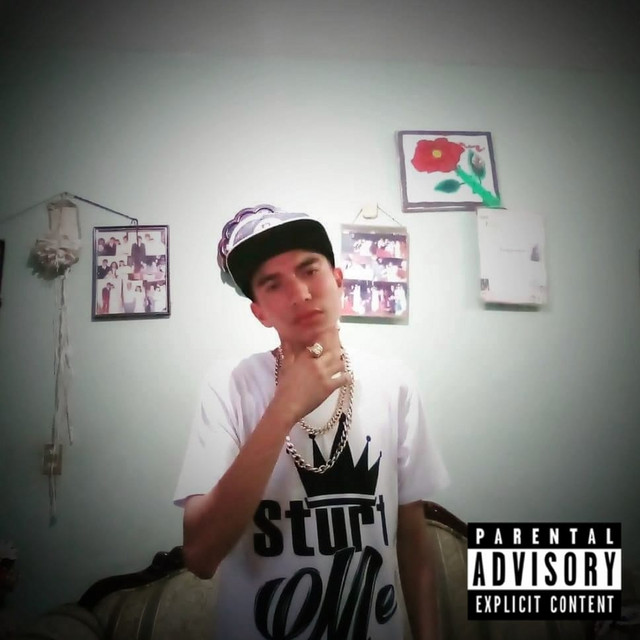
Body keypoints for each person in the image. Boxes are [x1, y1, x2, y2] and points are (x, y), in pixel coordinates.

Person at [173, 205, 448, 640]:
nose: (300, 293)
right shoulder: (229, 384)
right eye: (273, 284)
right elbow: (201, 556)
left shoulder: (394, 382)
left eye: (309, 270)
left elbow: (413, 542)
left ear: (338, 280)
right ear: (260, 312)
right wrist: (284, 407)